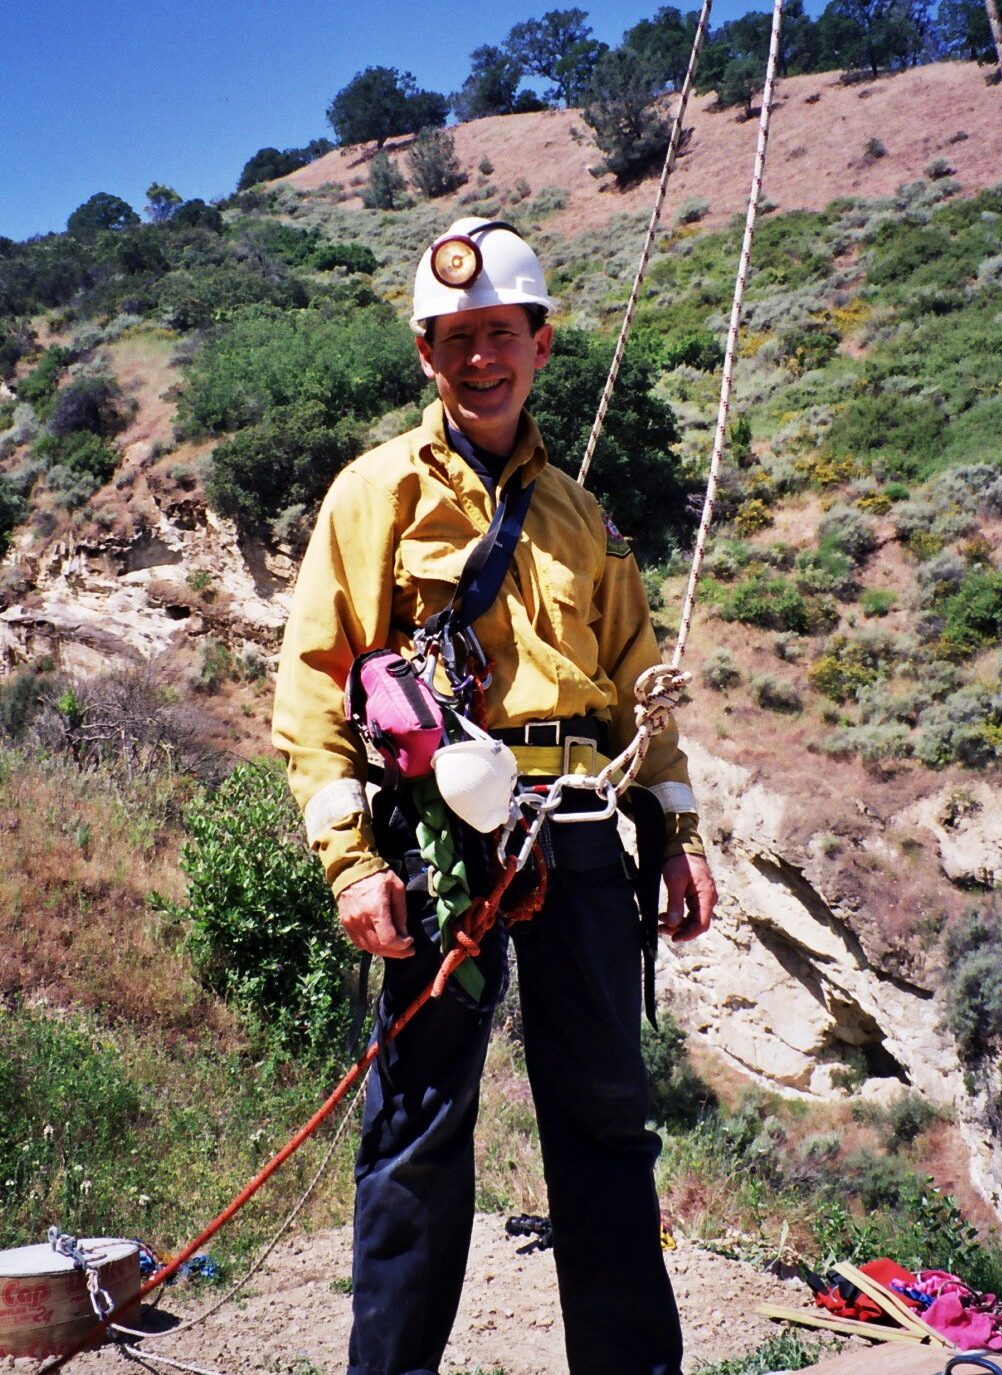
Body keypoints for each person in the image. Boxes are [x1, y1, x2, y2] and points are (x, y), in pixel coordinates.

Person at [272, 217, 718, 1375]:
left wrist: (673, 832)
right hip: (438, 843)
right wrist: (353, 860)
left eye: (500, 334)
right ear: (427, 353)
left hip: (574, 838)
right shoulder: (373, 496)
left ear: (541, 343)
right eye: (455, 337)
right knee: (419, 1130)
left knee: (606, 1128)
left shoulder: (580, 517)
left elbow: (636, 694)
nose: (480, 357)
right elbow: (315, 691)